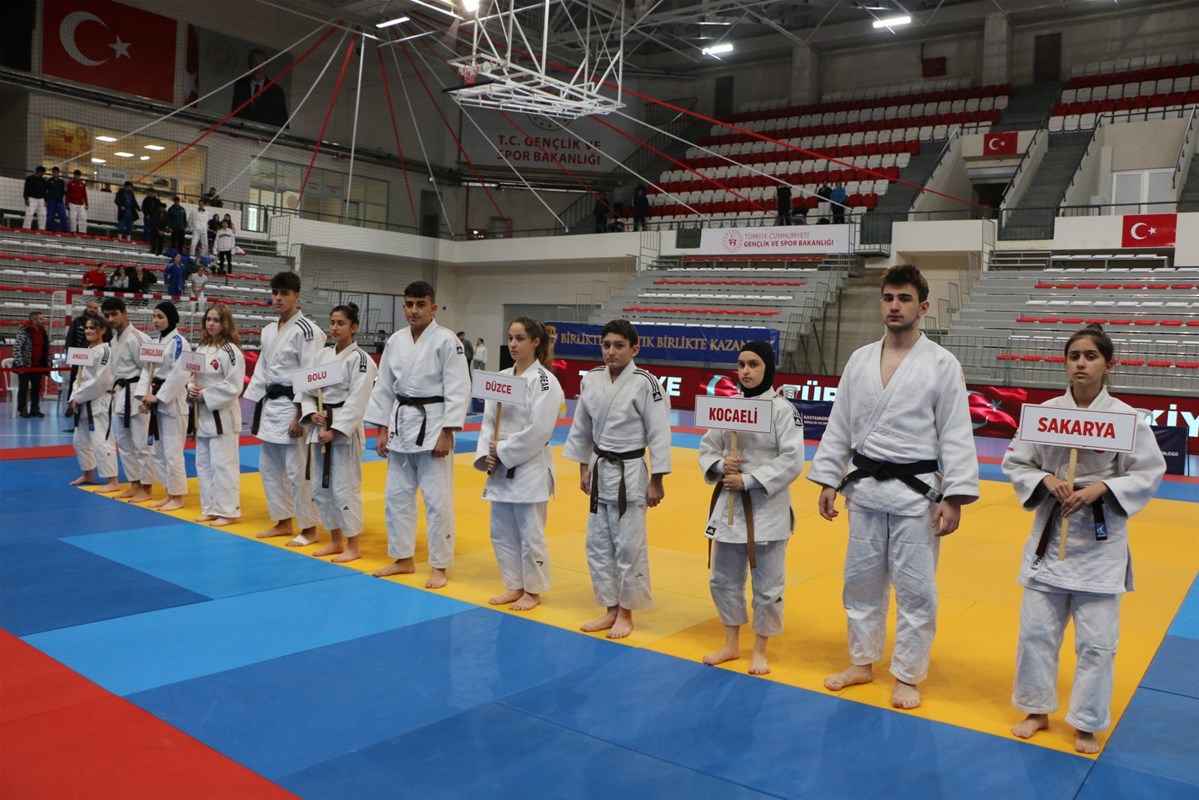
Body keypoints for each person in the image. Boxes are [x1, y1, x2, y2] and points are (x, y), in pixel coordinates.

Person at [807, 264, 979, 710]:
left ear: (923, 307)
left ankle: (907, 674)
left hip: (916, 495)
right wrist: (829, 478)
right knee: (859, 582)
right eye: (888, 298)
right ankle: (862, 662)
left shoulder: (942, 364)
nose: (895, 306)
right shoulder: (860, 359)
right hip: (864, 489)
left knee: (916, 590)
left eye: (904, 299)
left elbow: (956, 432)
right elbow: (840, 424)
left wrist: (954, 496)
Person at [1002, 324, 1165, 754]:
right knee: (1036, 633)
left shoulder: (1126, 419)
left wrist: (1103, 488)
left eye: (1091, 356)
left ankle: (1087, 720)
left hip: (1099, 543)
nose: (1081, 363)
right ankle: (1036, 709)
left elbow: (1149, 471)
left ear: (1108, 365)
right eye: (1074, 355)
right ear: (1065, 362)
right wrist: (1046, 480)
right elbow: (1016, 462)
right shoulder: (1045, 413)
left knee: (1097, 643)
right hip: (1051, 535)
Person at [698, 341, 805, 675]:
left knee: (768, 586)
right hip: (729, 505)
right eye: (741, 364)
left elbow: (793, 459)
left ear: (768, 367)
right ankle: (731, 643)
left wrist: (750, 479)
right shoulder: (727, 408)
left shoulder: (783, 410)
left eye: (754, 364)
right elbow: (707, 446)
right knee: (722, 579)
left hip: (767, 507)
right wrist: (721, 465)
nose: (745, 371)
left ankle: (760, 648)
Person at [562, 319, 672, 639]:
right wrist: (583, 467)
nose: (611, 351)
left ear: (634, 349)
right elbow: (581, 427)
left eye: (619, 346)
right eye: (606, 345)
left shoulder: (646, 383)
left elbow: (660, 433)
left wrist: (657, 480)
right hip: (600, 467)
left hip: (631, 471)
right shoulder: (592, 379)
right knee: (597, 544)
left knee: (628, 546)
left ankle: (626, 612)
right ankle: (610, 608)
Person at [365, 280, 469, 589]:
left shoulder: (447, 341)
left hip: (433, 424)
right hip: (400, 425)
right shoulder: (395, 341)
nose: (414, 310)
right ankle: (403, 558)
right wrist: (381, 429)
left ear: (433, 308)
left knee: (437, 501)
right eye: (409, 304)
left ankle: (439, 565)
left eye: (420, 304)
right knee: (396, 498)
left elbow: (459, 387)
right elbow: (384, 387)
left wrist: (448, 431)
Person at [474, 316, 564, 611]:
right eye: (510, 338)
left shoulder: (545, 381)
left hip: (529, 466)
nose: (513, 344)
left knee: (530, 534)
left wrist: (501, 449)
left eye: (520, 338)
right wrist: (487, 454)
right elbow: (489, 421)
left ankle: (533, 591)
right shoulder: (501, 377)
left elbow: (540, 430)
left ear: (536, 342)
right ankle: (514, 585)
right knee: (501, 531)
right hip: (499, 465)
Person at [244, 271, 326, 546]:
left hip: (294, 406)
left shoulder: (308, 331)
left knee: (298, 470)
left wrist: (300, 415)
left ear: (297, 295)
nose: (278, 298)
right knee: (268, 467)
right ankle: (282, 521)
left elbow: (311, 374)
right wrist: (255, 406)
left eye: (284, 293)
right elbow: (262, 372)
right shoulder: (269, 330)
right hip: (271, 406)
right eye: (275, 293)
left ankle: (309, 528)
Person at [300, 303, 377, 562]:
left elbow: (359, 400)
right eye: (332, 322)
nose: (334, 327)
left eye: (341, 323)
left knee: (345, 487)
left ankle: (353, 545)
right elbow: (307, 391)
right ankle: (335, 541)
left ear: (354, 327)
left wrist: (335, 430)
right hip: (320, 424)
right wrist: (312, 413)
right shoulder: (322, 356)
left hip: (344, 429)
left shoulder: (361, 360)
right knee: (322, 487)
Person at [188, 303, 245, 527]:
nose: (211, 324)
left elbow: (234, 385)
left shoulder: (231, 351)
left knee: (223, 465)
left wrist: (205, 394)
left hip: (222, 415)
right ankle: (210, 508)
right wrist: (190, 389)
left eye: (216, 320)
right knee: (203, 464)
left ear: (225, 323)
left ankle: (228, 511)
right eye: (208, 319)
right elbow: (191, 376)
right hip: (202, 415)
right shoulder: (201, 348)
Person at [135, 302, 192, 511]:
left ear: (171, 318)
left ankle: (178, 496)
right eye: (154, 316)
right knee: (158, 451)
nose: (156, 320)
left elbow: (181, 373)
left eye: (160, 316)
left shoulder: (180, 342)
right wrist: (143, 397)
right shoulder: (153, 342)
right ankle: (169, 493)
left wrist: (159, 397)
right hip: (155, 397)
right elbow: (146, 371)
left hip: (172, 401)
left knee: (172, 452)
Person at [102, 297, 156, 503]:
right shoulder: (114, 340)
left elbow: (149, 370)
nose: (111, 319)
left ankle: (147, 488)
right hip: (121, 394)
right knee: (124, 443)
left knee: (142, 444)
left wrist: (145, 398)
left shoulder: (137, 338)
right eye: (107, 316)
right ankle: (135, 484)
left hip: (137, 394)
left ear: (124, 313)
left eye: (114, 314)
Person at [67, 313, 118, 492]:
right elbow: (78, 378)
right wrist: (74, 396)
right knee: (79, 441)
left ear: (102, 330)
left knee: (102, 441)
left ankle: (112, 480)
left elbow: (101, 382)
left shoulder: (105, 351)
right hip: (83, 401)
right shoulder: (86, 351)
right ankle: (88, 473)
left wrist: (78, 397)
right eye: (86, 328)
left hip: (99, 400)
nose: (88, 331)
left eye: (92, 328)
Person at [231, 48, 289, 127]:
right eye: (255, 63)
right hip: (243, 131)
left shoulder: (276, 91)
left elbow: (283, 122)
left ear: (266, 65)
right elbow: (235, 114)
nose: (258, 67)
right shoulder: (240, 84)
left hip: (264, 133)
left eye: (261, 64)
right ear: (250, 65)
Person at [13, 311, 49, 419]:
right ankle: (22, 408)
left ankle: (34, 409)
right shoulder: (24, 331)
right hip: (25, 365)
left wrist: (47, 362)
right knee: (23, 387)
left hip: (37, 365)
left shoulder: (43, 332)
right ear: (34, 320)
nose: (43, 321)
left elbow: (46, 348)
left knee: (36, 388)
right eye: (41, 319)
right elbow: (17, 348)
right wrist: (20, 365)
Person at [44, 167, 69, 233]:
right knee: (50, 217)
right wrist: (46, 200)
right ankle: (51, 231)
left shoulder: (62, 182)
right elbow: (45, 191)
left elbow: (64, 192)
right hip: (51, 201)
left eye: (56, 172)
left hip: (60, 202)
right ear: (52, 173)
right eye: (54, 172)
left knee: (63, 217)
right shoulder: (49, 181)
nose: (55, 174)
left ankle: (65, 232)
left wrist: (65, 191)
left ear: (58, 173)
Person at [22, 166, 47, 230]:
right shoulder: (29, 179)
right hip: (31, 198)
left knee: (43, 215)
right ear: (38, 172)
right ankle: (26, 228)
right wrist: (26, 198)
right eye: (42, 173)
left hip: (41, 199)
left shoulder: (43, 180)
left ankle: (42, 229)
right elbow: (26, 189)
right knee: (29, 214)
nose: (43, 174)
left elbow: (45, 191)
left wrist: (45, 200)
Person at [66, 169, 89, 234]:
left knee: (83, 218)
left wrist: (86, 204)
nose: (76, 177)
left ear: (79, 176)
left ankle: (83, 232)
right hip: (72, 204)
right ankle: (73, 231)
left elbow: (84, 195)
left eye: (78, 175)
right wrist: (66, 203)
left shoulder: (83, 185)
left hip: (81, 204)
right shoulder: (70, 184)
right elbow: (68, 194)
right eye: (75, 175)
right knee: (72, 218)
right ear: (74, 175)